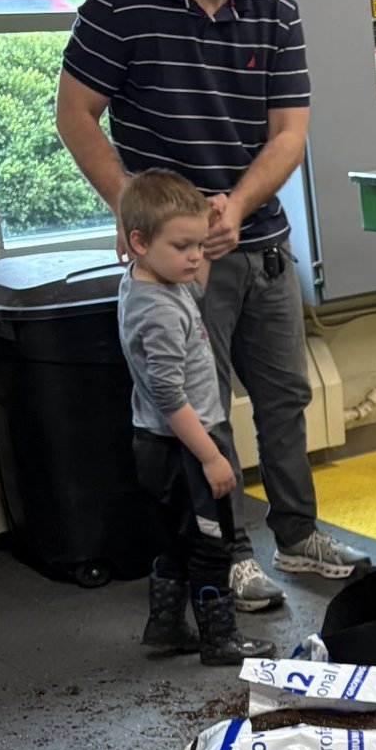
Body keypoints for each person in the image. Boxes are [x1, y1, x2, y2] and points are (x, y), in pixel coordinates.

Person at [57, 0, 366, 611]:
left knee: (285, 398)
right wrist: (141, 213)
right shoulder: (120, 1)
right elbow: (75, 115)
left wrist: (236, 203)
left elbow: (288, 133)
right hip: (182, 267)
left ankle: (298, 534)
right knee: (201, 409)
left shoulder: (275, 10)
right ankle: (224, 553)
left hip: (260, 246)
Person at [116, 168, 259, 668]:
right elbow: (168, 395)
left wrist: (207, 233)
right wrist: (211, 456)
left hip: (159, 443)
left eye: (199, 244)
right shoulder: (158, 311)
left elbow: (196, 287)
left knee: (177, 541)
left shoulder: (150, 282)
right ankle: (220, 640)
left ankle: (165, 627)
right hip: (183, 446)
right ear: (139, 241)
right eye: (183, 246)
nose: (195, 256)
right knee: (211, 545)